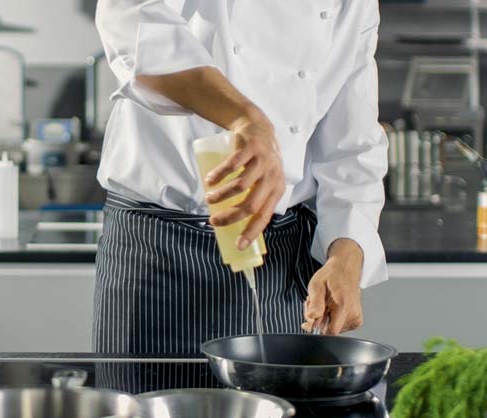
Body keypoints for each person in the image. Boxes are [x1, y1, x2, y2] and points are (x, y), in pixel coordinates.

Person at [93, 0, 388, 354]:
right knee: (143, 408)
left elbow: (352, 144)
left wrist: (347, 254)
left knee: (272, 407)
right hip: (157, 252)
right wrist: (245, 117)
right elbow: (129, 18)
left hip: (276, 261)